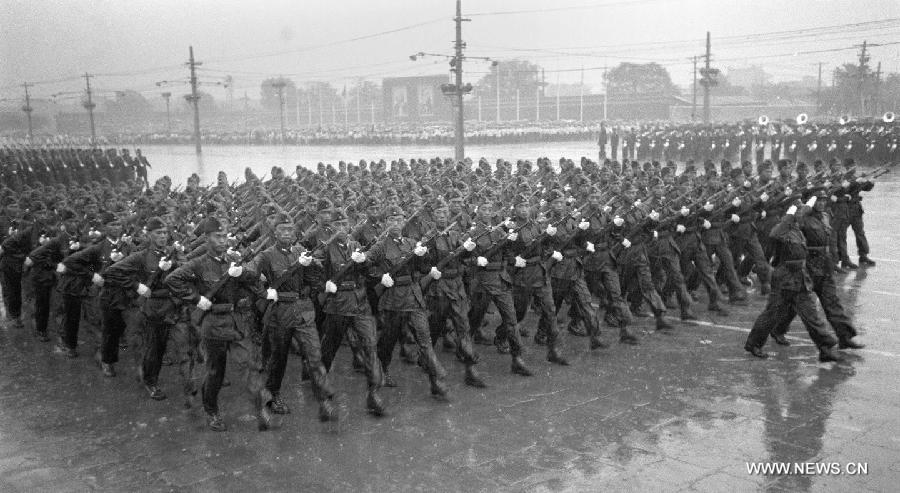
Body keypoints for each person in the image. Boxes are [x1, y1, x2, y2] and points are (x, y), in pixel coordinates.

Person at [165, 217, 266, 432]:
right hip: (213, 323)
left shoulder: (233, 259)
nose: (222, 240)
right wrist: (196, 298)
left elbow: (255, 280)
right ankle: (211, 411)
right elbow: (172, 279)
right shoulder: (198, 263)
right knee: (215, 373)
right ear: (207, 238)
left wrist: (243, 272)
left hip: (235, 321)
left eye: (224, 236)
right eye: (217, 237)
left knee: (248, 364)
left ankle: (261, 408)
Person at [246, 212, 338, 422]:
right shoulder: (267, 255)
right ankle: (273, 394)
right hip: (280, 313)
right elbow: (247, 274)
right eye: (282, 230)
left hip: (304, 311)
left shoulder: (300, 252)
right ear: (274, 232)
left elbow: (314, 279)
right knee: (277, 360)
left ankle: (324, 401)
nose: (287, 233)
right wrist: (263, 293)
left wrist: (313, 266)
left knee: (314, 356)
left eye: (290, 229)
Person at [744, 197, 842, 362]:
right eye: (797, 210)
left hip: (799, 278)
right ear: (790, 213)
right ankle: (754, 344)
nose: (801, 213)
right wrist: (789, 216)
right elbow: (774, 234)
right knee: (771, 314)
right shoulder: (782, 229)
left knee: (811, 315)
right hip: (784, 280)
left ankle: (825, 348)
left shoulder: (797, 228)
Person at [367, 205, 449, 398]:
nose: (396, 224)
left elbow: (422, 267)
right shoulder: (379, 246)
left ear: (404, 222)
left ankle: (435, 380)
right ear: (386, 223)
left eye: (399, 220)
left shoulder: (411, 243)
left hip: (413, 296)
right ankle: (383, 369)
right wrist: (380, 277)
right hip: (393, 299)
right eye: (391, 220)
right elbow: (365, 267)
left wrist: (423, 257)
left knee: (425, 339)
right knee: (388, 340)